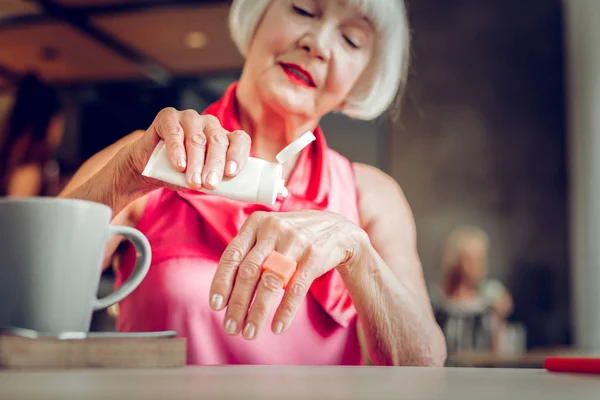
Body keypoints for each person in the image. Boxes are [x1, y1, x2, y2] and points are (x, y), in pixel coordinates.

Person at [59, 0, 447, 366]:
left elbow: (424, 362)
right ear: (258, 15)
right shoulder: (146, 156)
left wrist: (354, 249)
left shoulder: (372, 197)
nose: (318, 44)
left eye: (351, 40)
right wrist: (123, 178)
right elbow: (18, 304)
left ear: (361, 81)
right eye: (303, 9)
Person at [431, 225, 513, 353]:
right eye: (471, 260)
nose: (479, 265)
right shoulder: (439, 300)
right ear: (456, 261)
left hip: (482, 369)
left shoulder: (491, 295)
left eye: (481, 259)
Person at [0, 73, 65, 197]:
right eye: (59, 122)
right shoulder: (29, 169)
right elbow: (17, 214)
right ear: (50, 123)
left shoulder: (19, 159)